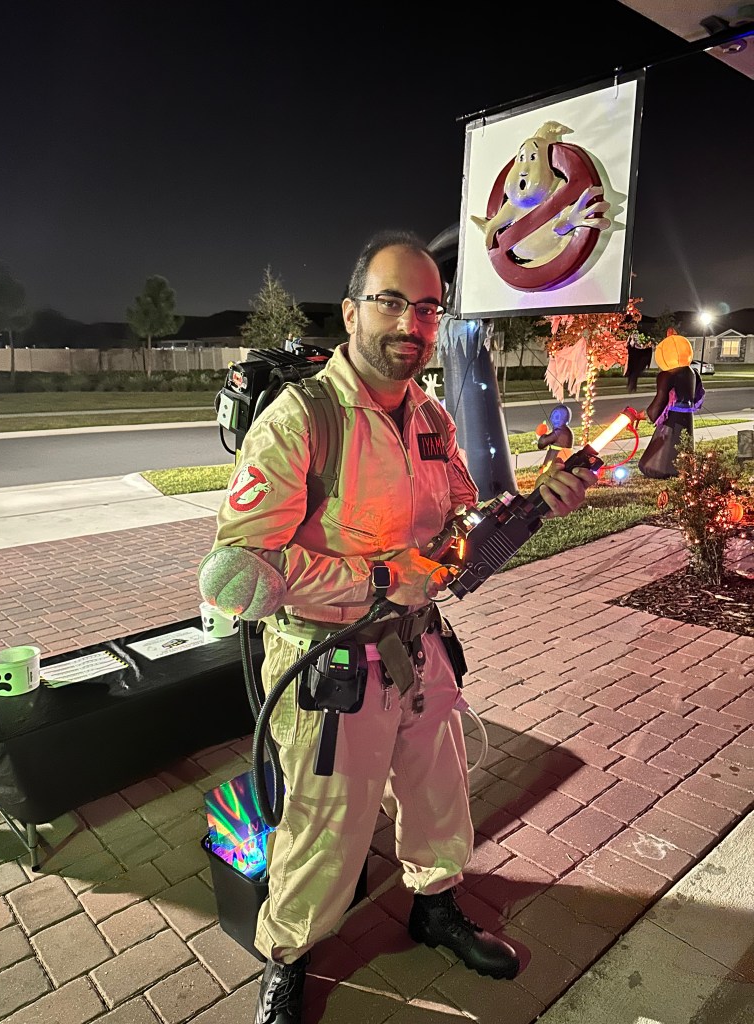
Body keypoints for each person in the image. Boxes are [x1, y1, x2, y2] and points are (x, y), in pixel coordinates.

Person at [199, 229, 597, 1024]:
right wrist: (378, 576)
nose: (409, 324)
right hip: (328, 668)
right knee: (325, 831)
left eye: (427, 307)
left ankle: (434, 904)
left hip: (418, 653)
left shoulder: (432, 419)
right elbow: (232, 575)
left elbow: (461, 541)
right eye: (390, 302)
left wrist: (529, 514)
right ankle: (289, 957)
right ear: (351, 312)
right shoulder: (301, 421)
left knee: (440, 793)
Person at [637, 331, 704, 479]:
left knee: (665, 445)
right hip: (687, 416)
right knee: (684, 442)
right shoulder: (693, 372)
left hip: (672, 417)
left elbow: (660, 400)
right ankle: (683, 468)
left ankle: (660, 469)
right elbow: (696, 395)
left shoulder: (666, 375)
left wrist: (647, 415)